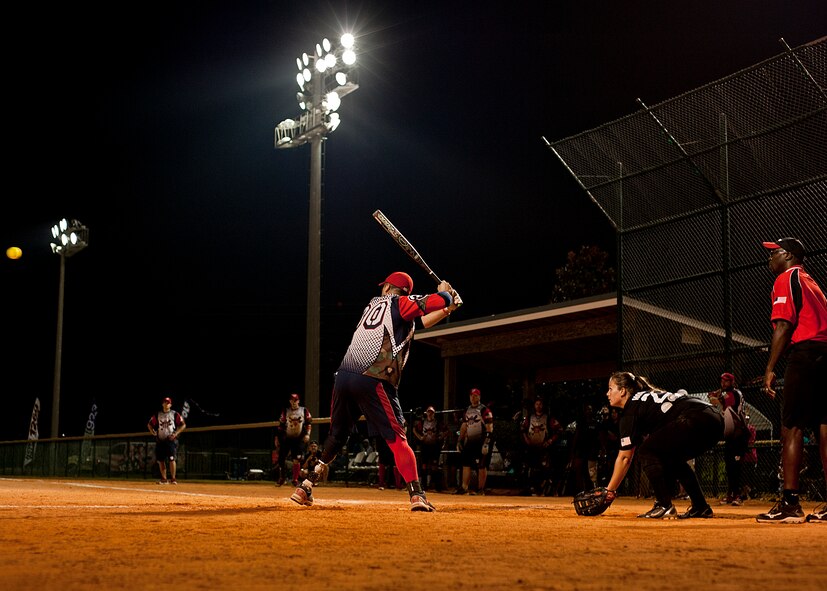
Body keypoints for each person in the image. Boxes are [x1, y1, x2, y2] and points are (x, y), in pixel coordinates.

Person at [289, 271, 460, 512]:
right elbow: (430, 302)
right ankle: (417, 495)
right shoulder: (399, 304)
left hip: (344, 376)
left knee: (337, 436)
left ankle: (305, 486)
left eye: (386, 286)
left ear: (390, 287)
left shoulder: (375, 305)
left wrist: (448, 308)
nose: (383, 289)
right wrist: (445, 294)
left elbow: (420, 321)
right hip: (374, 378)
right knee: (399, 439)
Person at [758, 237, 827, 524]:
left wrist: (770, 368)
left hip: (806, 352)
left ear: (787, 255)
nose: (769, 259)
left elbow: (784, 325)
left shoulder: (786, 278)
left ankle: (789, 502)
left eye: (773, 253)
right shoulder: (812, 283)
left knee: (791, 426)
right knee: (825, 425)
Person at [601, 371, 724, 519]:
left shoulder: (631, 409)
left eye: (610, 388)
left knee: (646, 451)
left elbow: (625, 458)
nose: (607, 393)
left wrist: (610, 491)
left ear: (622, 391)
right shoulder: (644, 399)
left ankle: (663, 505)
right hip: (714, 420)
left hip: (695, 418)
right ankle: (701, 506)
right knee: (672, 458)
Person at [708, 372, 748, 505]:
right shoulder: (729, 393)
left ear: (731, 382)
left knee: (736, 466)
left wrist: (716, 395)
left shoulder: (735, 393)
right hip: (731, 434)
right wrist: (716, 394)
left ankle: (739, 496)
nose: (723, 383)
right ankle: (731, 495)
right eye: (722, 381)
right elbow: (713, 397)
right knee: (729, 466)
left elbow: (716, 401)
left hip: (739, 434)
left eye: (726, 381)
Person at [455, 387, 494, 495]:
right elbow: (464, 426)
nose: (473, 398)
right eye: (472, 396)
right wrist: (459, 441)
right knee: (466, 463)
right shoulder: (467, 410)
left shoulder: (484, 410)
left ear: (479, 397)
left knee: (482, 465)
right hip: (470, 441)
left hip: (481, 440)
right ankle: (464, 487)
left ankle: (481, 489)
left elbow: (490, 427)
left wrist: (486, 442)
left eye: (475, 396)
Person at [520, 396, 562, 495]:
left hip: (544, 448)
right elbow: (522, 429)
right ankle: (531, 488)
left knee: (544, 469)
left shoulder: (548, 418)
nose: (538, 406)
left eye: (540, 404)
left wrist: (550, 441)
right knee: (531, 468)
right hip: (532, 448)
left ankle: (544, 489)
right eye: (537, 404)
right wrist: (526, 440)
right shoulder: (530, 417)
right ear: (534, 406)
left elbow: (559, 429)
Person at [274, 393, 313, 486]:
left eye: (295, 400)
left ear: (298, 401)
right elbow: (281, 425)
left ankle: (295, 479)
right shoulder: (286, 411)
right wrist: (277, 438)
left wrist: (307, 434)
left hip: (298, 438)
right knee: (281, 458)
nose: (294, 402)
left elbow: (308, 423)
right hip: (287, 437)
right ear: (290, 401)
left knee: (297, 458)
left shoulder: (304, 410)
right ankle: (282, 478)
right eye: (292, 400)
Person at [147, 396, 186, 485]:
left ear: (171, 404)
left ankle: (173, 479)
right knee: (161, 460)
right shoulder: (157, 414)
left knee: (172, 459)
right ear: (162, 404)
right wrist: (152, 432)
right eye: (165, 402)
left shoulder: (175, 414)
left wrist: (176, 434)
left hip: (170, 440)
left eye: (168, 403)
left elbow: (183, 425)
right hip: (160, 440)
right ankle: (164, 479)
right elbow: (149, 424)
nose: (166, 404)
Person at [568, 403, 600, 494]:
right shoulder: (581, 423)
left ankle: (593, 490)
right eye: (587, 409)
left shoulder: (595, 423)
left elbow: (599, 437)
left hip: (592, 450)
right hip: (581, 450)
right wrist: (573, 451)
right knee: (579, 470)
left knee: (592, 471)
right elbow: (576, 436)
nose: (589, 411)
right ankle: (580, 490)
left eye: (590, 409)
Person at [413, 406, 447, 491]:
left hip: (434, 446)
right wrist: (420, 437)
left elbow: (446, 430)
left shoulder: (438, 422)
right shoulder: (422, 422)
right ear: (426, 413)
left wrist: (440, 437)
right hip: (425, 446)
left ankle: (436, 485)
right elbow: (414, 429)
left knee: (434, 466)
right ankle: (424, 485)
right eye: (429, 412)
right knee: (424, 465)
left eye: (432, 412)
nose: (430, 414)